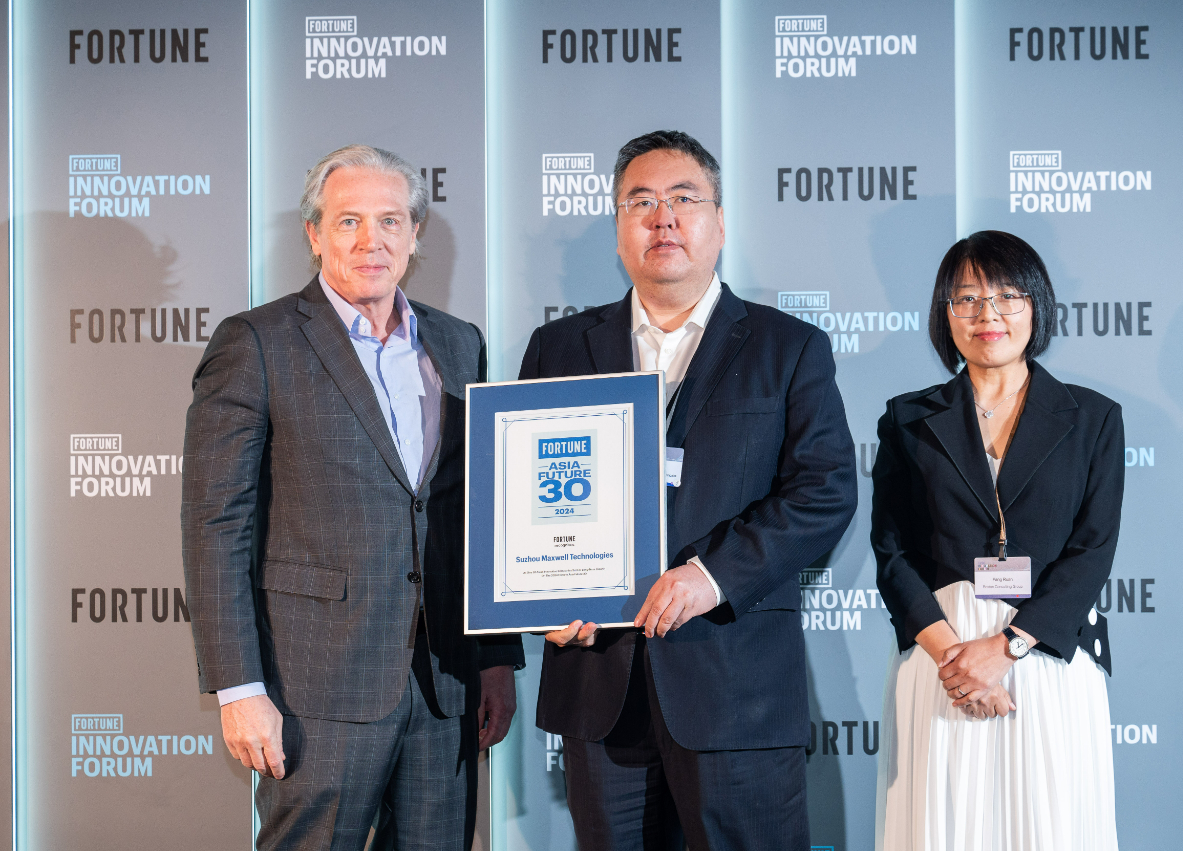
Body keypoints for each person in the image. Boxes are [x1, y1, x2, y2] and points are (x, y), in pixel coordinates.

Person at [519, 130, 859, 851]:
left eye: (684, 199)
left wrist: (712, 575)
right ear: (618, 228)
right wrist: (543, 597)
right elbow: (523, 498)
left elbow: (825, 489)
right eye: (641, 202)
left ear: (720, 222)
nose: (663, 218)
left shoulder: (787, 346)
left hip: (734, 686)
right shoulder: (559, 349)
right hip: (599, 688)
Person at [181, 144, 524, 851]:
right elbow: (216, 524)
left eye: (391, 220)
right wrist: (239, 687)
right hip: (314, 689)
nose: (373, 240)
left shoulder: (459, 343)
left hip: (444, 685)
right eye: (349, 221)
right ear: (314, 234)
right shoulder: (257, 343)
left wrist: (494, 657)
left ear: (415, 235)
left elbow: (479, 514)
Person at [871, 230, 1121, 850]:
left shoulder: (1093, 418)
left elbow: (1092, 550)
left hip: (1046, 656)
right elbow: (892, 551)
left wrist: (1006, 649)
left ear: (1036, 306)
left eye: (1008, 296)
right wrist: (955, 661)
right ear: (945, 314)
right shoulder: (907, 418)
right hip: (943, 659)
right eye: (967, 299)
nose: (988, 314)